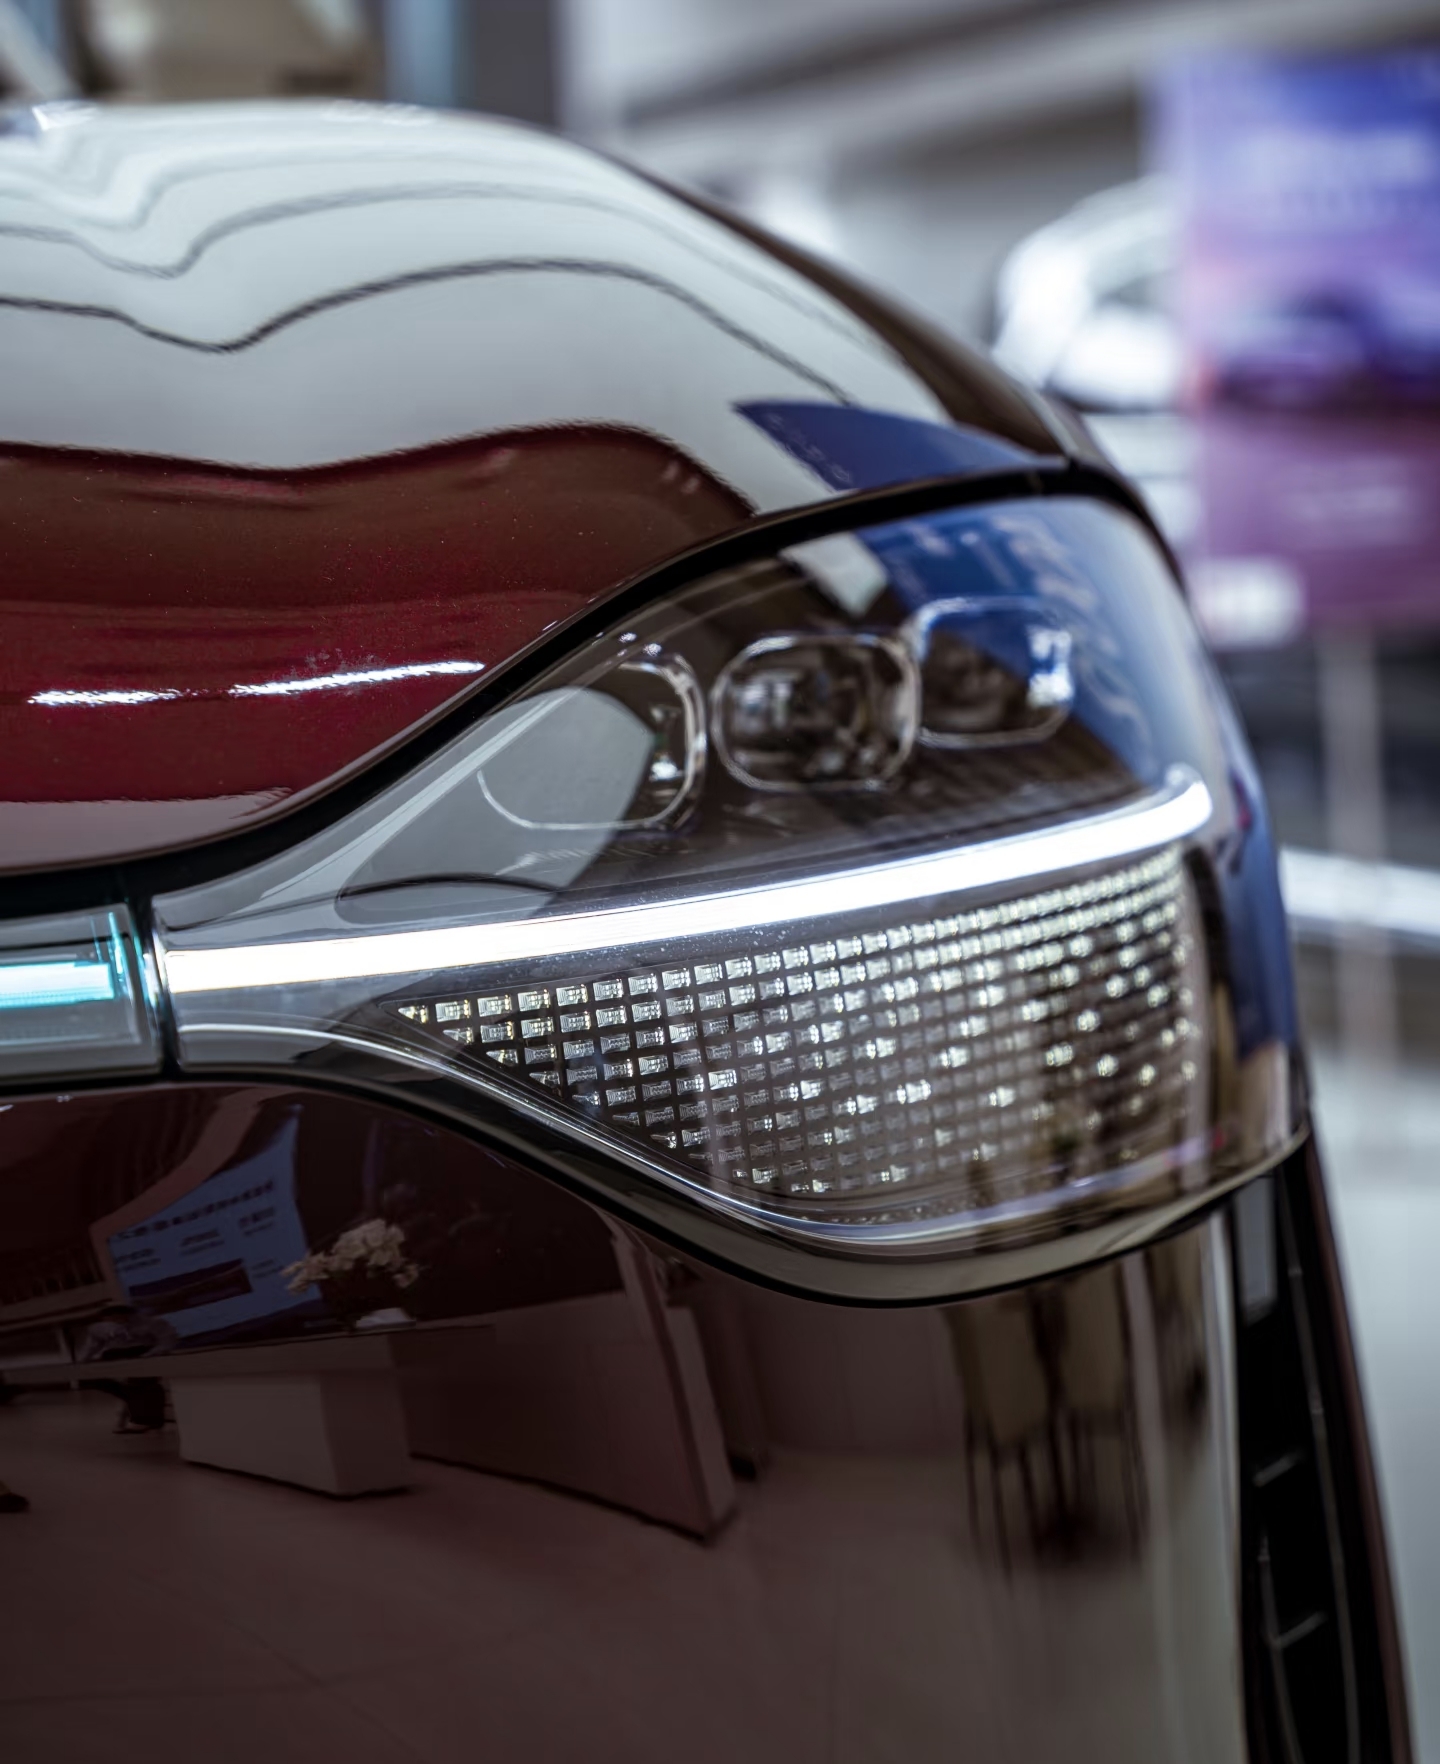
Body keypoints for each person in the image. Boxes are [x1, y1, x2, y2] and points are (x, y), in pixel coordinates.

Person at [77, 1304, 177, 1433]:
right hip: (115, 1355)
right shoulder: (98, 1328)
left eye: (117, 1316)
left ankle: (142, 1420)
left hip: (143, 1353)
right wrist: (81, 1363)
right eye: (109, 1317)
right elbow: (91, 1346)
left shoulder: (152, 1323)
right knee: (91, 1379)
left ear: (128, 1314)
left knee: (142, 1384)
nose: (114, 1320)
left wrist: (148, 1356)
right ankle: (133, 1398)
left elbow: (167, 1341)